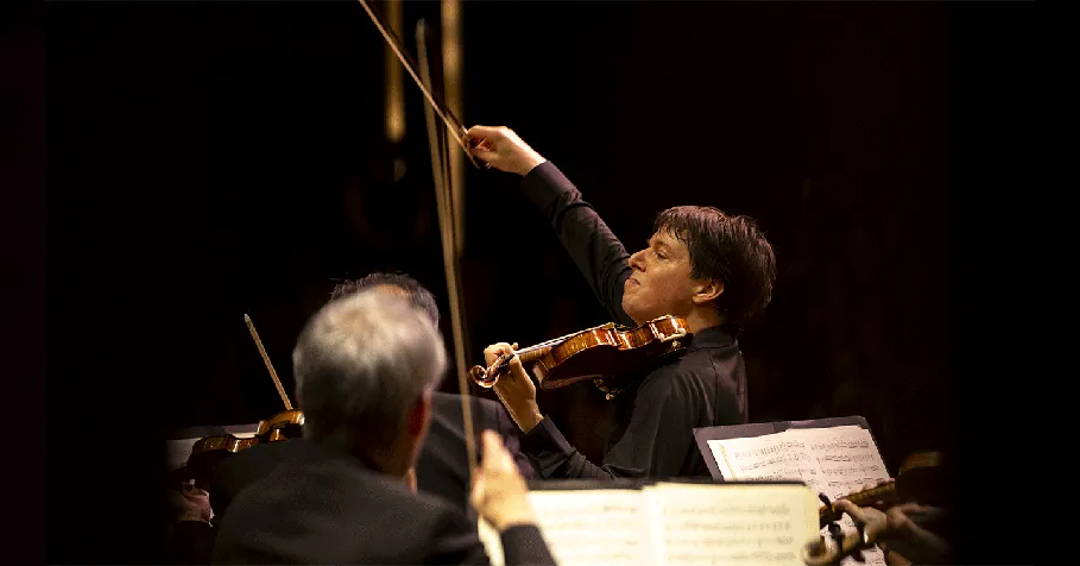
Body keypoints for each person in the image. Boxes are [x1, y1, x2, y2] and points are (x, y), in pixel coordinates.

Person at [465, 125, 777, 480]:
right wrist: (528, 164)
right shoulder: (705, 349)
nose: (635, 259)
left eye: (660, 255)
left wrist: (529, 417)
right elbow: (599, 251)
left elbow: (618, 505)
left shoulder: (676, 380)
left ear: (706, 289)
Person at [211, 290, 553, 564]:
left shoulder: (245, 518)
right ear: (419, 416)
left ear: (308, 398)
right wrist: (515, 518)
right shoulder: (429, 534)